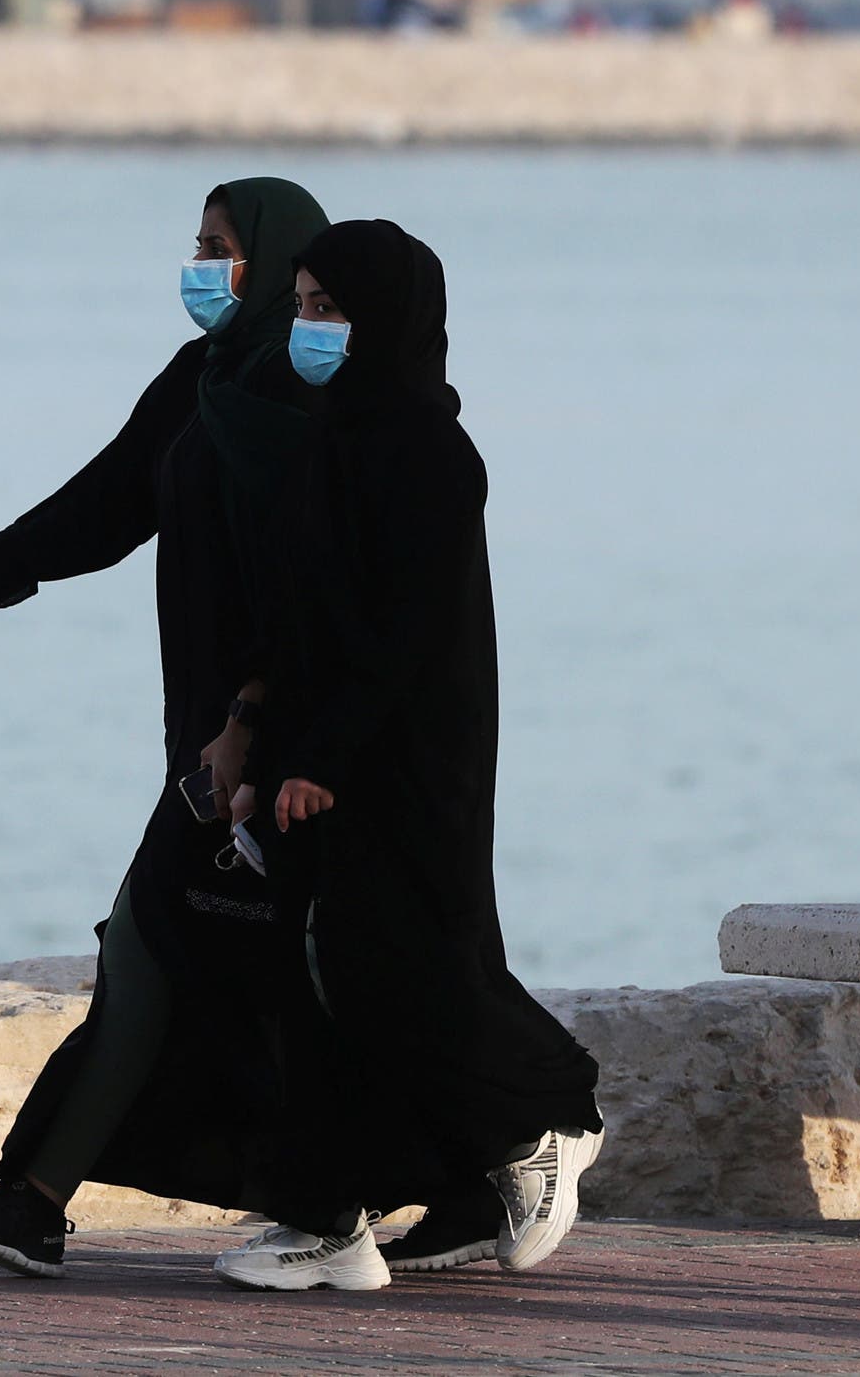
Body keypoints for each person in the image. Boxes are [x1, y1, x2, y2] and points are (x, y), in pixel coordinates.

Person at [0, 178, 331, 1279]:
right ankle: (362, 1194)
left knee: (157, 946)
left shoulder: (303, 398)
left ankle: (36, 1201)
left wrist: (247, 719)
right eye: (195, 244)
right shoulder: (205, 378)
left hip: (276, 738)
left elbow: (311, 588)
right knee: (194, 960)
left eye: (222, 247)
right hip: (209, 737)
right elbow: (110, 498)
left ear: (275, 260)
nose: (200, 265)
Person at [209, 218, 606, 1294]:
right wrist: (259, 735)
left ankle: (543, 1118)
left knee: (398, 964)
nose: (308, 327)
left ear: (388, 318)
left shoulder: (426, 447)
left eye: (328, 309)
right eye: (299, 306)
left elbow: (405, 631)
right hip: (317, 747)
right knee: (313, 978)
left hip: (404, 752)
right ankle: (338, 1215)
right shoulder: (331, 434)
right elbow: (302, 617)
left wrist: (323, 757)